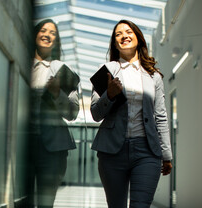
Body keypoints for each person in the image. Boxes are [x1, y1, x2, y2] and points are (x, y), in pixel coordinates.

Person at [90, 20, 173, 208]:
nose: (124, 36)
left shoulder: (154, 76)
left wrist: (166, 155)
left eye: (128, 32)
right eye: (118, 34)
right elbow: (96, 113)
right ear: (114, 42)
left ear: (138, 37)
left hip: (146, 151)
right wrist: (109, 95)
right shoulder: (107, 72)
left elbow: (160, 116)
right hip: (112, 151)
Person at [27, 19, 79, 208]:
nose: (47, 34)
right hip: (22, 142)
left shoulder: (63, 71)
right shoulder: (22, 65)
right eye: (43, 30)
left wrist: (57, 93)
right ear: (34, 35)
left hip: (52, 148)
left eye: (53, 33)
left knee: (45, 204)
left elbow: (73, 112)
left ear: (56, 42)